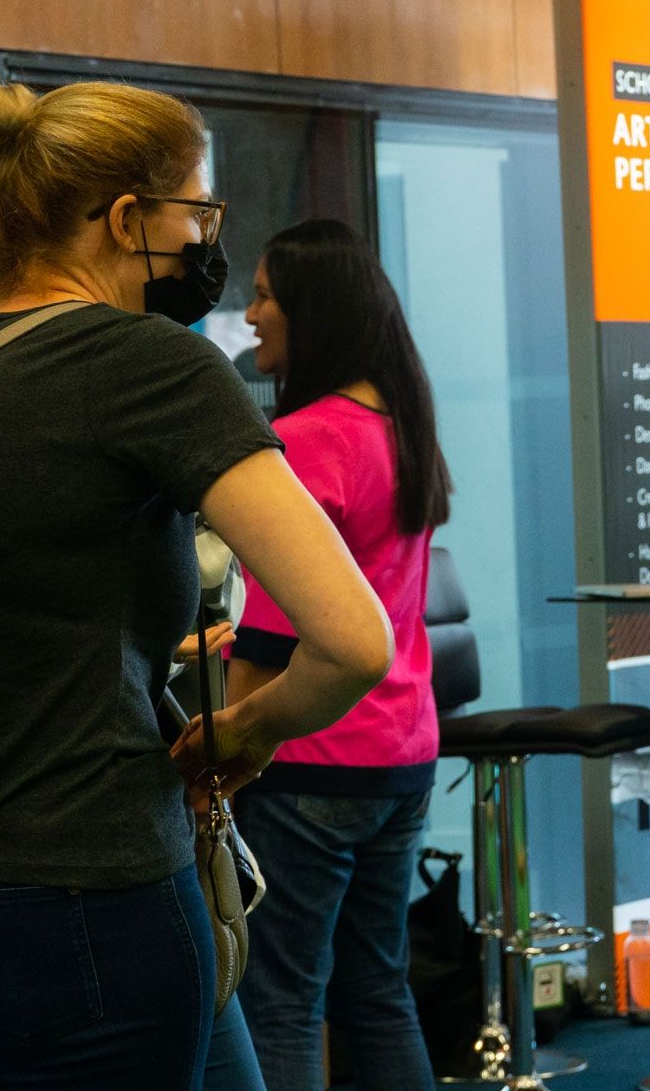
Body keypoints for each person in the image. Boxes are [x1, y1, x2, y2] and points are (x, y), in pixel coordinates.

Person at [0, 81, 393, 1090]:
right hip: (79, 902)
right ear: (127, 220)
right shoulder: (146, 363)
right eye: (195, 211)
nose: (205, 241)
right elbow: (351, 639)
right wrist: (243, 734)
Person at [224, 220, 448, 1091]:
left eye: (266, 295)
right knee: (376, 994)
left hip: (313, 758)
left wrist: (234, 744)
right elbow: (371, 588)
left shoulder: (312, 434)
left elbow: (280, 630)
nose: (249, 315)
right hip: (401, 755)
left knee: (281, 1002)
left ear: (311, 309)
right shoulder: (399, 419)